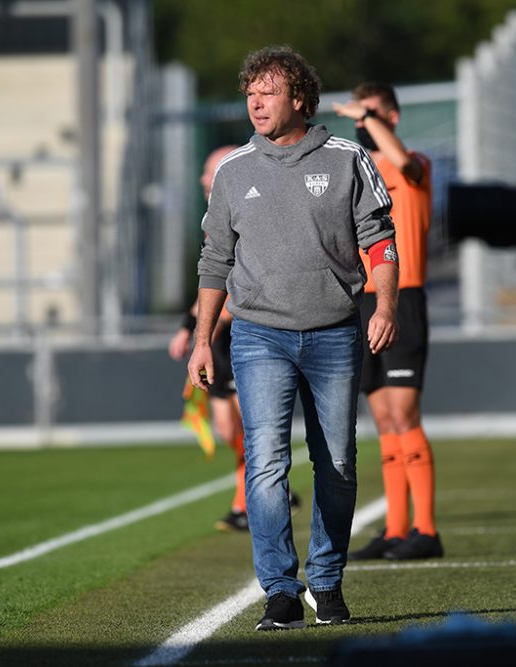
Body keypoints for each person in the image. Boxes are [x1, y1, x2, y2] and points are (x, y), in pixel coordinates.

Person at [189, 46, 399, 631]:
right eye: (250, 92)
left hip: (334, 333)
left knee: (336, 464)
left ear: (299, 98)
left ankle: (326, 583)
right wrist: (204, 339)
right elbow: (213, 261)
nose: (255, 102)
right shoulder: (232, 170)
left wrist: (385, 305)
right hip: (258, 336)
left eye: (268, 91)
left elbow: (380, 240)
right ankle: (280, 590)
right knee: (265, 464)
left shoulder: (347, 158)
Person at [331, 83, 443, 561]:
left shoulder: (413, 164)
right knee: (381, 420)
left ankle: (426, 529)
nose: (361, 120)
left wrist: (369, 117)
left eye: (371, 113)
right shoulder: (359, 170)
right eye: (357, 113)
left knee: (404, 414)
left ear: (391, 117)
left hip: (403, 298)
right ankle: (396, 528)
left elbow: (405, 163)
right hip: (362, 303)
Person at [170, 144, 300, 532]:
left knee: (255, 422)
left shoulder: (252, 206)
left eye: (210, 171)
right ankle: (258, 494)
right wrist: (187, 327)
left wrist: (211, 326)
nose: (204, 179)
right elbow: (211, 279)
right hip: (218, 337)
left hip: (245, 330)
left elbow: (247, 281)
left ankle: (252, 500)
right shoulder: (213, 218)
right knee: (228, 428)